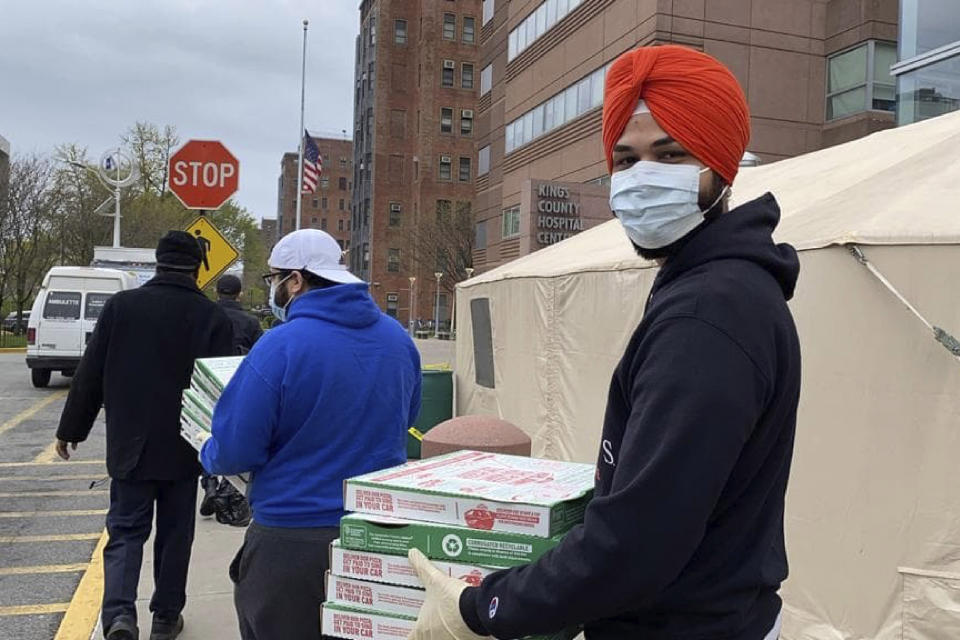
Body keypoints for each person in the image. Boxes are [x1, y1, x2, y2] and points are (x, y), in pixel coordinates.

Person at [408, 45, 801, 640]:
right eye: (626, 158)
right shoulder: (714, 285)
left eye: (669, 154)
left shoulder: (707, 314)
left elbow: (638, 541)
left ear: (720, 166)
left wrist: (484, 608)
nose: (642, 176)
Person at [200, 229, 422, 640]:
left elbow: (234, 450)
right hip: (377, 535)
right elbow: (407, 414)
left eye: (274, 280)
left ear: (296, 280)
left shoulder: (280, 346)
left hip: (292, 542)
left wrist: (205, 449)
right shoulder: (397, 339)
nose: (274, 291)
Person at [55, 231, 235, 640]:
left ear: (157, 262)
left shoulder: (122, 307)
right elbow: (224, 391)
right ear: (198, 268)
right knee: (175, 535)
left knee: (125, 532)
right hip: (186, 447)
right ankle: (166, 617)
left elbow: (91, 373)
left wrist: (71, 429)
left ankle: (119, 616)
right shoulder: (212, 318)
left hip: (130, 446)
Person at [198, 274, 263, 526]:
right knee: (230, 436)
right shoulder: (250, 322)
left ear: (217, 291)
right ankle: (227, 486)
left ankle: (209, 483)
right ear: (240, 294)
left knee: (205, 434)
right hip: (239, 385)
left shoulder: (205, 318)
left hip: (208, 383)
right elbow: (260, 357)